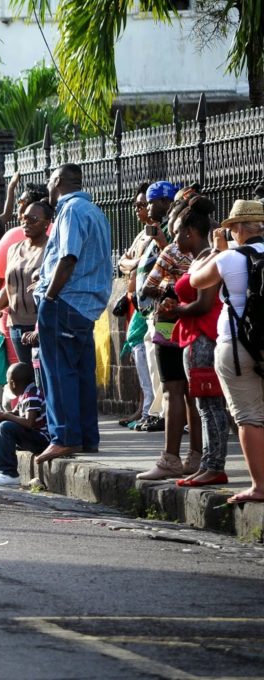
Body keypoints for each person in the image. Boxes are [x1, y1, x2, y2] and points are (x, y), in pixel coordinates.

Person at [33, 163, 113, 463]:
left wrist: (49, 295)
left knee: (58, 371)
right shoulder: (94, 211)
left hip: (65, 302)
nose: (48, 187)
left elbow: (68, 257)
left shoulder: (71, 210)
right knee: (80, 371)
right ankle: (86, 437)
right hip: (85, 305)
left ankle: (64, 437)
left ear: (57, 180)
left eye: (49, 181)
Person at [190, 199, 264, 504]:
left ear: (237, 229)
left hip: (237, 344)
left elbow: (194, 278)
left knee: (249, 416)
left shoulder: (229, 258)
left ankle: (260, 487)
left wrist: (217, 249)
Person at [150, 197, 228, 486]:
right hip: (193, 336)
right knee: (204, 406)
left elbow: (204, 303)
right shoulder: (198, 260)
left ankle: (214, 465)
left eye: (176, 233)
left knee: (210, 405)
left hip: (204, 335)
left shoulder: (209, 258)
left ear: (190, 232)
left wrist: (177, 310)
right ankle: (207, 462)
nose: (173, 240)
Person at [138, 191, 202, 480]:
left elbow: (148, 286)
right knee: (191, 394)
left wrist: (170, 292)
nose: (174, 238)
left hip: (174, 325)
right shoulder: (211, 252)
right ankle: (195, 457)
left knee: (176, 392)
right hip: (189, 326)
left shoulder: (177, 251)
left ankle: (173, 458)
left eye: (175, 232)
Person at [0, 199, 51, 368]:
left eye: (33, 219)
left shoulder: (52, 248)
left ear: (47, 223)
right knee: (24, 374)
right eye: (24, 218)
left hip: (42, 325)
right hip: (15, 325)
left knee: (43, 374)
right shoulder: (13, 249)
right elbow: (11, 285)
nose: (26, 223)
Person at [116, 182, 160, 430]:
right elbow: (123, 263)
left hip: (150, 304)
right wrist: (131, 263)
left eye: (144, 204)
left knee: (147, 353)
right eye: (138, 205)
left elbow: (138, 263)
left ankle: (150, 409)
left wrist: (132, 263)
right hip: (137, 303)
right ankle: (145, 407)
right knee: (141, 354)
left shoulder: (158, 233)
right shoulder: (142, 234)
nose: (140, 209)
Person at [0, 362, 49, 486]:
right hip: (32, 436)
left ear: (13, 383)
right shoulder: (25, 394)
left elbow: (29, 423)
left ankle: (9, 474)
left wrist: (5, 415)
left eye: (8, 382)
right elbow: (15, 413)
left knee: (6, 427)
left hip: (42, 440)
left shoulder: (32, 396)